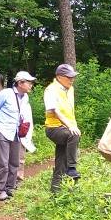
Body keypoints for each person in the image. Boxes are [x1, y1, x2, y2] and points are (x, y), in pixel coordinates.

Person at [0, 71, 35, 201]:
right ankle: (1, 190)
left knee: (14, 162)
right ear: (20, 83)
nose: (31, 85)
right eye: (29, 82)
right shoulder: (6, 93)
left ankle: (10, 187)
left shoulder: (25, 97)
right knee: (3, 163)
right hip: (3, 130)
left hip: (16, 132)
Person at [43, 63, 80, 193]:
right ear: (59, 77)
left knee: (61, 160)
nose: (72, 79)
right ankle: (72, 168)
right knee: (73, 135)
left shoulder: (70, 89)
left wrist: (72, 125)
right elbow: (55, 111)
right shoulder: (51, 90)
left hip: (66, 128)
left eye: (73, 77)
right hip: (54, 128)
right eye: (69, 77)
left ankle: (56, 192)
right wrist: (71, 126)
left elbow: (69, 111)